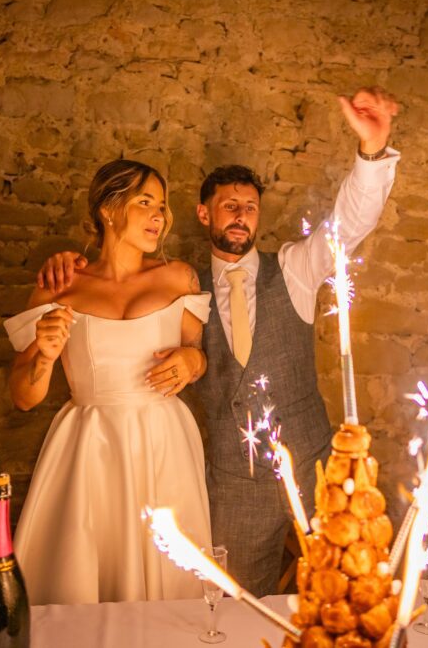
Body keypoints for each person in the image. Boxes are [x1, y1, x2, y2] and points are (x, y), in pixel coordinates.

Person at [37, 87, 399, 596]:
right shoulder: (177, 283)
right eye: (228, 205)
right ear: (205, 215)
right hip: (231, 484)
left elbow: (349, 224)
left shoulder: (295, 269)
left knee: (348, 593)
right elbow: (110, 279)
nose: (240, 215)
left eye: (249, 207)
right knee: (233, 608)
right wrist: (64, 259)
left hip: (317, 472)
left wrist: (372, 154)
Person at [4, 159, 212, 604]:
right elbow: (23, 396)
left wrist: (191, 361)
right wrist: (44, 355)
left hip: (164, 444)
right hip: (90, 445)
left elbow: (198, 358)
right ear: (108, 209)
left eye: (162, 205)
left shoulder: (179, 277)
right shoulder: (59, 285)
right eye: (144, 203)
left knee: (168, 581)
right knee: (85, 573)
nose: (159, 215)